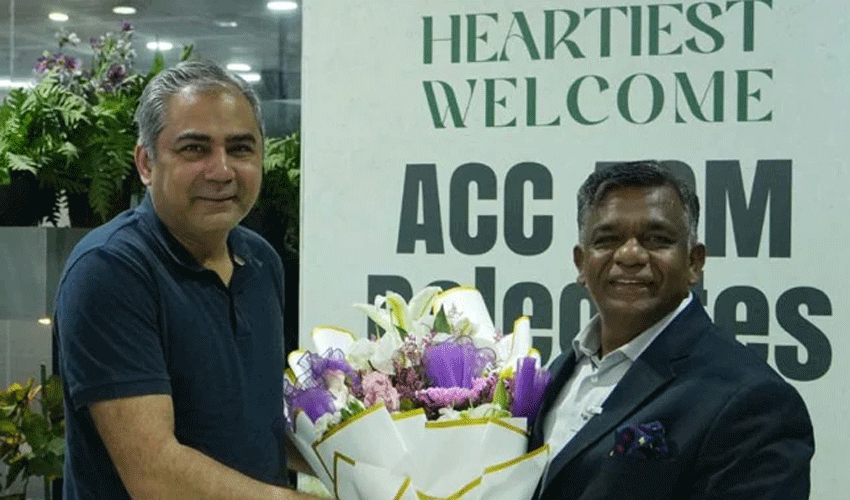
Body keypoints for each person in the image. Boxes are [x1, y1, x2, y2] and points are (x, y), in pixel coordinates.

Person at [54, 60, 320, 499]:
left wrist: (381, 468)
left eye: (240, 148)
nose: (222, 171)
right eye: (195, 149)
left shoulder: (261, 262)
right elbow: (155, 474)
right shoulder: (109, 271)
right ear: (146, 163)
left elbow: (261, 426)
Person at [529, 161, 814, 499]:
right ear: (581, 263)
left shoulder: (753, 401)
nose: (630, 255)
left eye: (656, 239)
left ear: (694, 262)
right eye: (607, 240)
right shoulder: (557, 373)